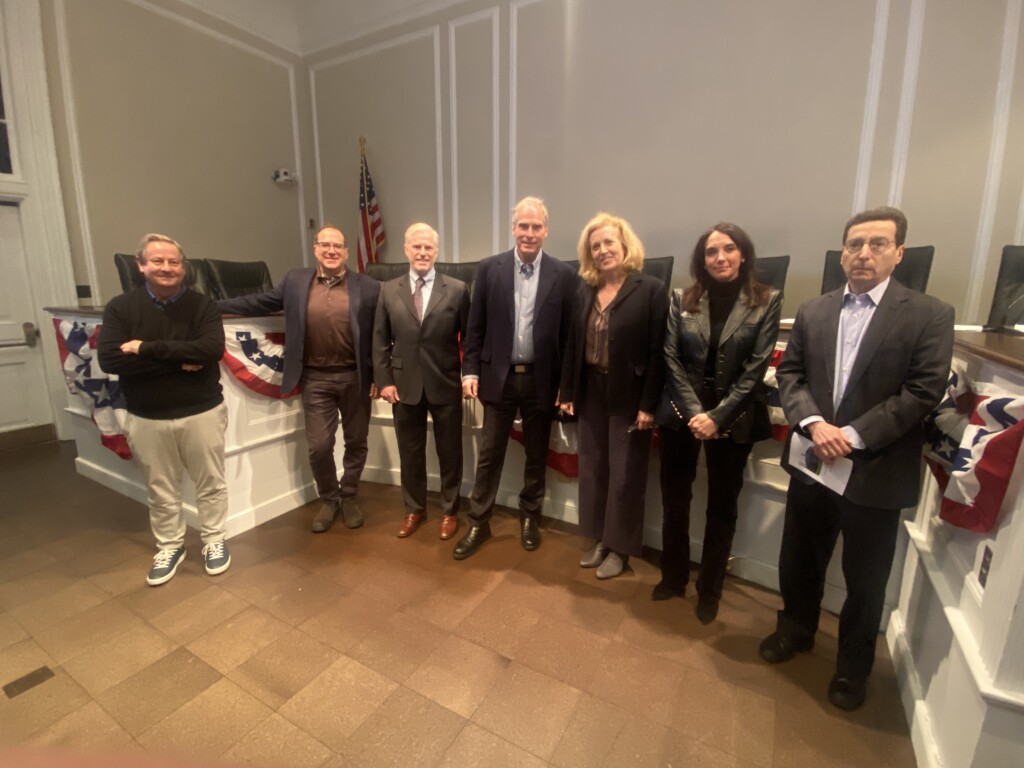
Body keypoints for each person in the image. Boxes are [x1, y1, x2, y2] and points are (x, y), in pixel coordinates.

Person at [759, 207, 954, 711]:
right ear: (842, 251)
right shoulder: (815, 310)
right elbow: (791, 375)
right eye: (854, 244)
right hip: (813, 462)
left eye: (877, 244)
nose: (863, 254)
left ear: (898, 253)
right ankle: (796, 630)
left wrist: (851, 434)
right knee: (800, 559)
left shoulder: (929, 314)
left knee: (865, 581)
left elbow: (922, 390)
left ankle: (851, 669)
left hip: (875, 469)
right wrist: (813, 425)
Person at [653, 223, 782, 622]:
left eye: (729, 249)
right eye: (711, 252)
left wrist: (717, 416)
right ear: (701, 259)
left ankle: (709, 589)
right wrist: (696, 413)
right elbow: (670, 358)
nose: (720, 257)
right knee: (676, 499)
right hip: (682, 409)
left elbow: (757, 366)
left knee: (722, 506)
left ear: (743, 254)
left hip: (734, 413)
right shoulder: (682, 298)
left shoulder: (766, 300)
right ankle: (673, 576)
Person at [218, 226, 380, 533]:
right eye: (325, 245)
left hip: (355, 377)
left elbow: (379, 333)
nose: (331, 250)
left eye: (338, 246)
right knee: (319, 446)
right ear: (315, 249)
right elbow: (260, 302)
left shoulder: (369, 286)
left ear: (346, 252)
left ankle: (350, 496)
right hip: (315, 378)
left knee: (356, 441)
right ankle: (330, 499)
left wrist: (378, 375)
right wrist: (212, 308)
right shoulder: (295, 280)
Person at [98, 234, 230, 585]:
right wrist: (182, 358)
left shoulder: (203, 305)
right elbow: (111, 360)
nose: (167, 268)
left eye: (174, 262)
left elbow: (211, 350)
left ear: (183, 268)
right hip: (146, 415)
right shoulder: (120, 308)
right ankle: (171, 545)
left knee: (211, 482)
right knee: (160, 489)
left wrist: (144, 348)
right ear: (140, 265)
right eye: (157, 261)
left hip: (201, 410)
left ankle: (214, 539)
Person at [454, 196, 577, 559]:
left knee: (536, 454)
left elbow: (569, 337)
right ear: (513, 228)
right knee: (489, 454)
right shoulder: (489, 268)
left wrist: (566, 387)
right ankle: (479, 521)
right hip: (498, 378)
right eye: (523, 226)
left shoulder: (564, 275)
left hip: (542, 380)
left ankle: (530, 517)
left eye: (536, 226)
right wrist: (470, 370)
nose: (529, 233)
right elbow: (475, 327)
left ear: (546, 231)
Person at [559, 213, 668, 579]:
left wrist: (648, 404)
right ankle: (602, 539)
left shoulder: (650, 289)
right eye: (595, 246)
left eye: (609, 243)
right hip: (591, 391)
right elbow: (574, 343)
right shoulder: (584, 290)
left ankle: (621, 549)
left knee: (625, 475)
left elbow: (658, 352)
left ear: (625, 245)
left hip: (630, 395)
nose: (603, 250)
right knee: (594, 471)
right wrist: (568, 391)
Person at [373, 223, 470, 539]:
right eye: (417, 246)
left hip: (445, 383)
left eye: (428, 247)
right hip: (403, 386)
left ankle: (450, 511)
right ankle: (414, 509)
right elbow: (379, 340)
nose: (423, 252)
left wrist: (469, 374)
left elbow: (471, 339)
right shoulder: (388, 290)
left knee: (450, 453)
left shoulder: (456, 289)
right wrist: (384, 381)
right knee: (410, 453)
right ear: (406, 249)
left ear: (436, 251)